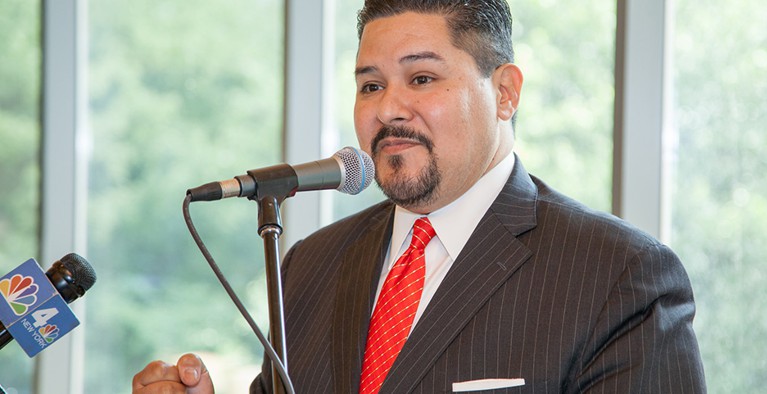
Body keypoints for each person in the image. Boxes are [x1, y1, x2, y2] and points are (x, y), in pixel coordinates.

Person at [132, 0, 707, 393]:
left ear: (504, 93)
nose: (387, 109)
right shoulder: (308, 266)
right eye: (371, 85)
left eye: (422, 79)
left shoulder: (619, 275)